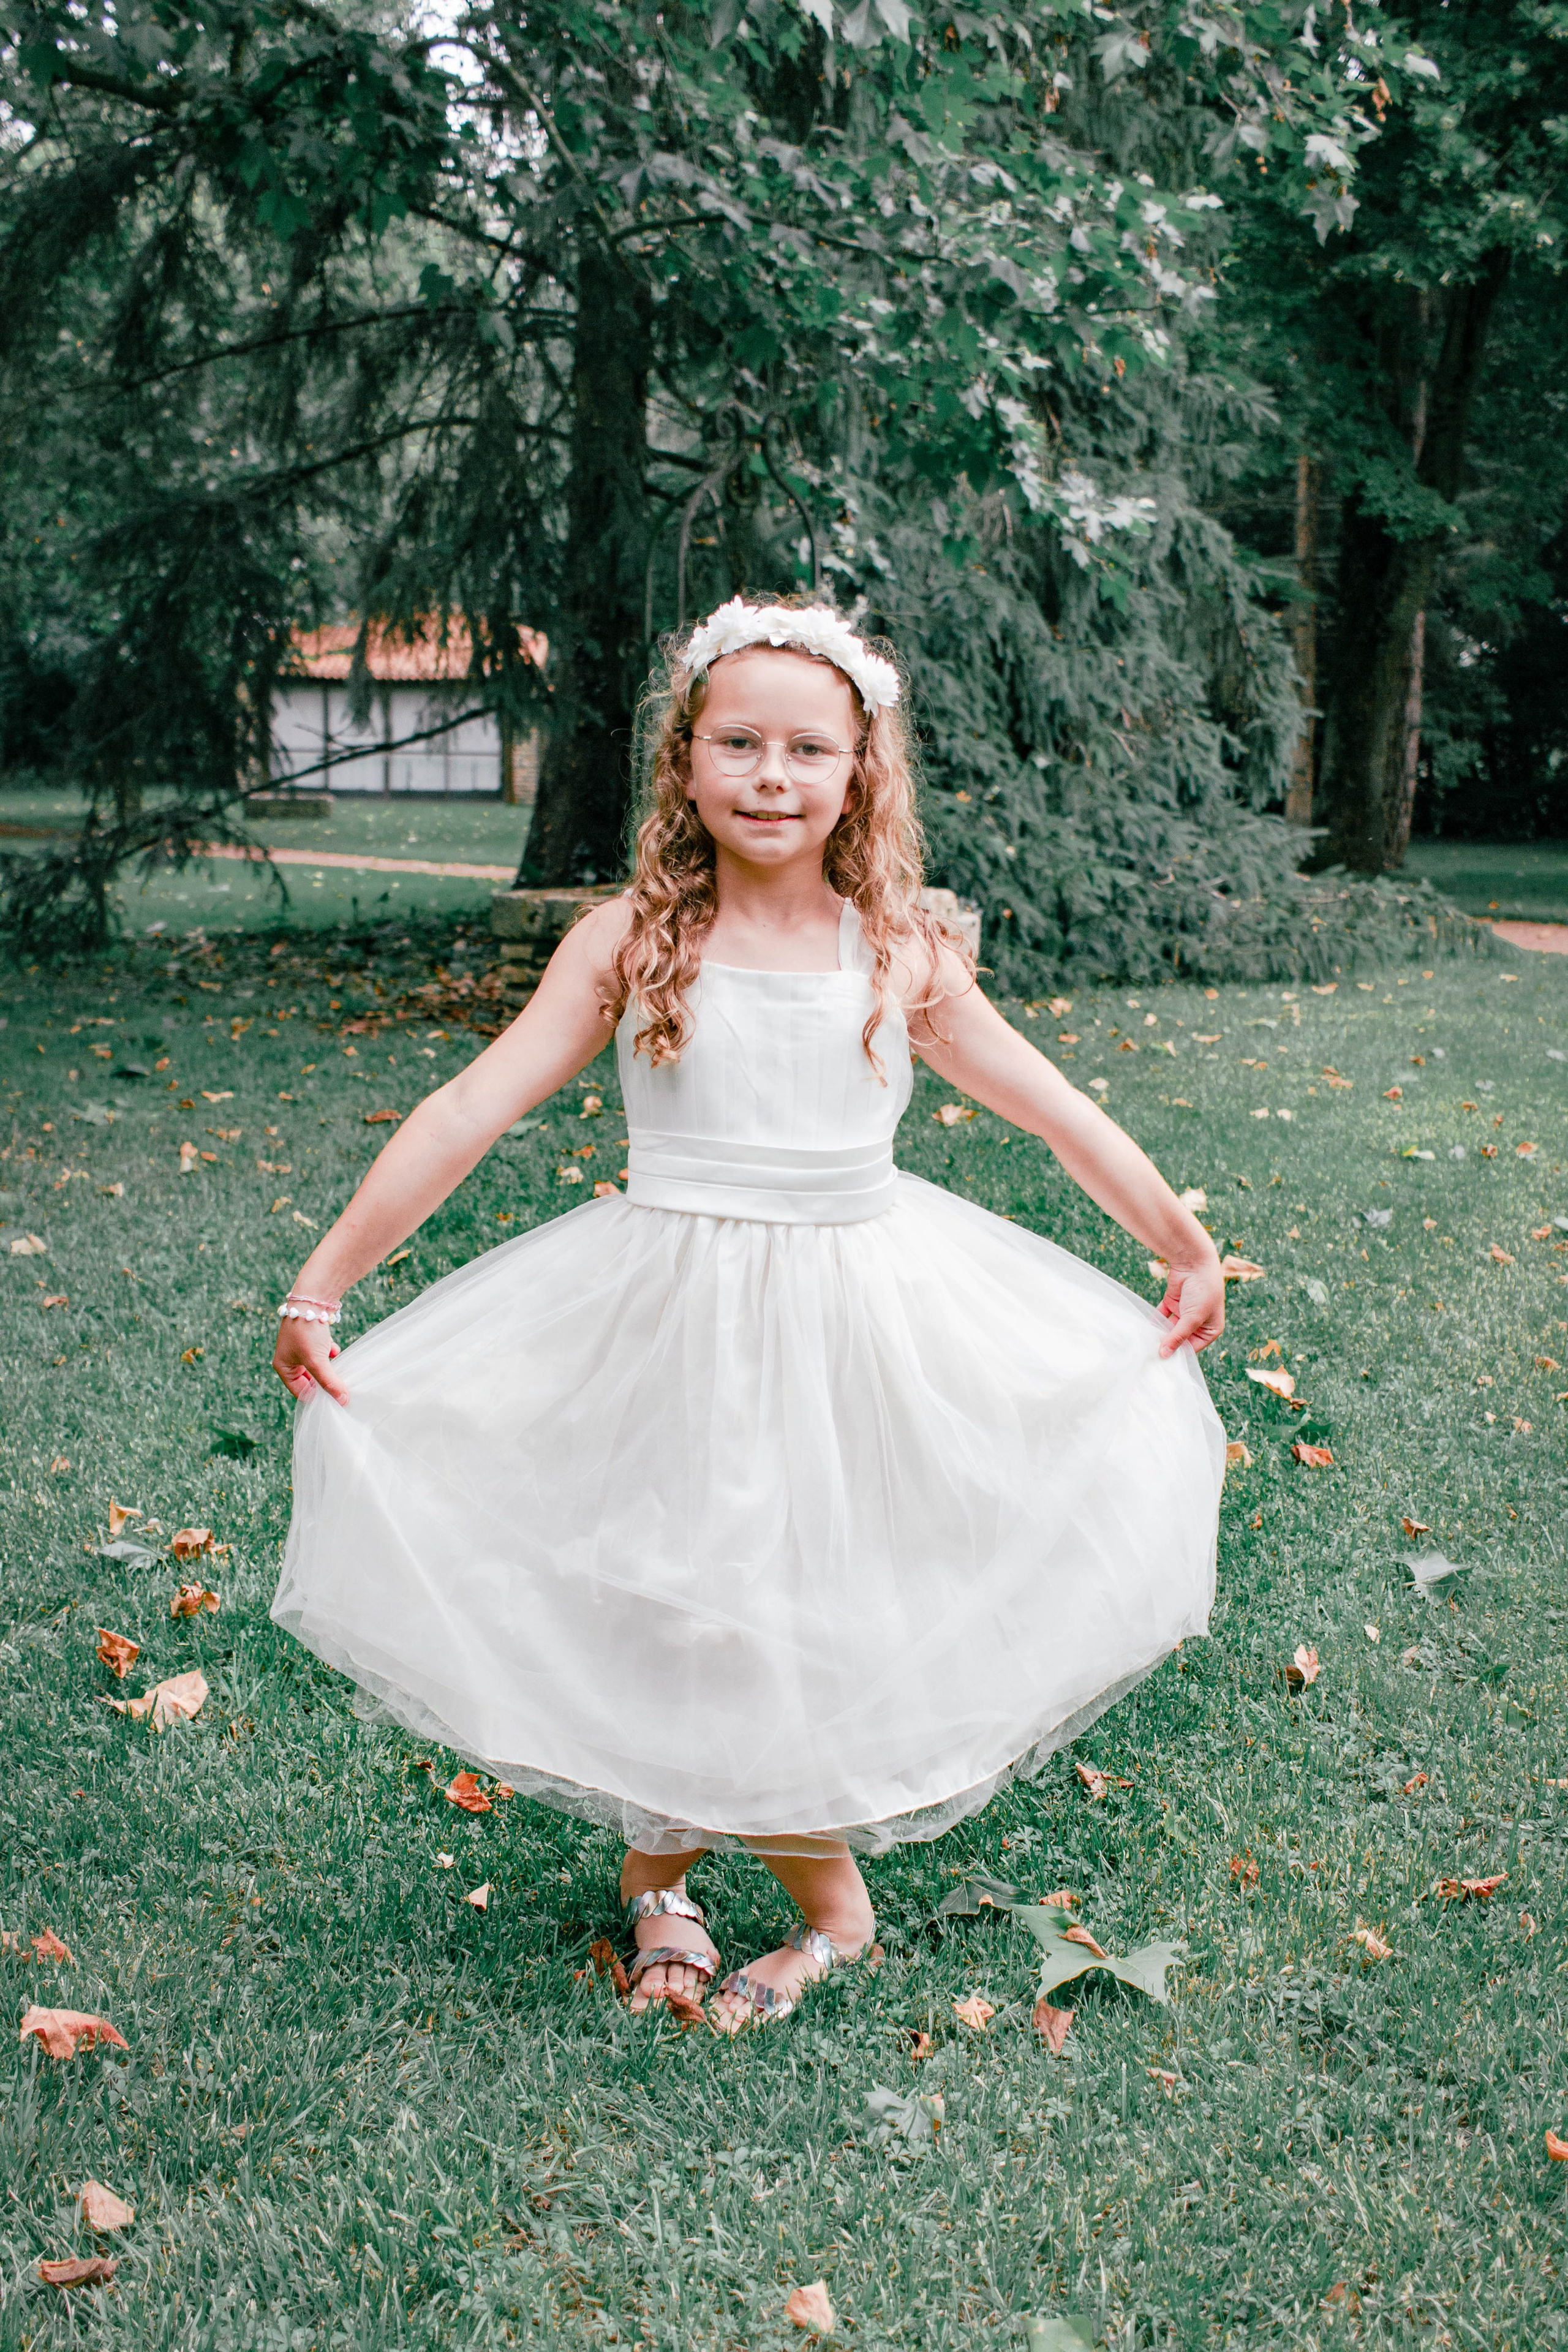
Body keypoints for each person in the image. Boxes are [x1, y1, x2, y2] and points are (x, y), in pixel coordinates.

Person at [269, 595, 1226, 2032]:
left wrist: (1176, 1234)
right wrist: (323, 1278)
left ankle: (793, 1905)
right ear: (685, 761)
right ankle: (692, 1880)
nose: (770, 777)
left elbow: (1045, 1108)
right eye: (737, 743)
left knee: (777, 1608)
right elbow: (470, 1105)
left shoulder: (895, 950)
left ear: (858, 773)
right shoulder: (629, 941)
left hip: (853, 1315)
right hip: (670, 1317)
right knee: (684, 1604)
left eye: (806, 750)